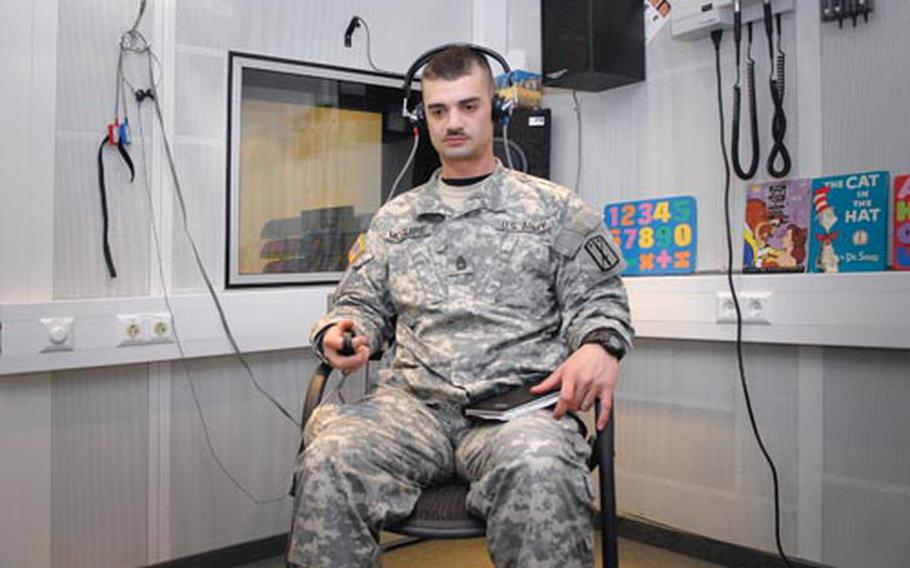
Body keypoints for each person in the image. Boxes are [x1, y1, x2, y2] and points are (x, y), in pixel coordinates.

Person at [288, 45, 634, 568]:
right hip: (412, 412)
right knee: (331, 456)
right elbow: (360, 302)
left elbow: (600, 300)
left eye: (468, 106)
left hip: (516, 411)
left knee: (542, 465)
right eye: (438, 110)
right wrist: (344, 328)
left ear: (495, 110)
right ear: (422, 117)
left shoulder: (556, 210)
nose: (453, 122)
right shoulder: (395, 220)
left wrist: (600, 345)